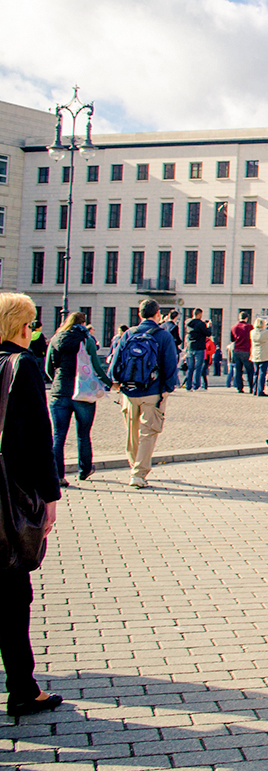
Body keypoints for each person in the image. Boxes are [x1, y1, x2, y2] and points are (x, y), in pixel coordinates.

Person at [0, 293, 65, 718]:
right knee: (12, 591)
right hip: (8, 496)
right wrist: (50, 498)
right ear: (24, 327)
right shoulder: (22, 366)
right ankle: (23, 688)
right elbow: (38, 441)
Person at [110, 299, 181, 489]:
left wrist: (116, 384)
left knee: (131, 433)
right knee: (148, 432)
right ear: (157, 314)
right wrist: (167, 389)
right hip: (152, 391)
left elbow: (115, 361)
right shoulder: (163, 336)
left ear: (140, 314)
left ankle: (135, 466)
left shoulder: (128, 334)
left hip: (128, 391)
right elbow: (170, 365)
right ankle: (139, 473)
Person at [43, 312, 113, 485]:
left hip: (60, 392)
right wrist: (109, 383)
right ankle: (85, 469)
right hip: (82, 392)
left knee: (59, 435)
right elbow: (96, 366)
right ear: (83, 323)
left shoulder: (56, 338)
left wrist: (57, 381)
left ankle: (58, 476)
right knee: (83, 433)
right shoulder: (86, 340)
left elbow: (48, 368)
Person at [183, 312, 210, 391]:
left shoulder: (188, 323)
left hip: (190, 347)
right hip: (199, 347)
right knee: (198, 367)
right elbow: (208, 333)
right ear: (200, 314)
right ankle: (196, 386)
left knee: (190, 367)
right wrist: (208, 326)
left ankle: (188, 386)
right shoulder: (201, 324)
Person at [249, 316, 268, 396]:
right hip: (264, 355)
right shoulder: (265, 332)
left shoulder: (252, 332)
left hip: (255, 354)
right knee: (262, 373)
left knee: (256, 373)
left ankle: (254, 390)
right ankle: (260, 390)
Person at [229, 312, 252, 392]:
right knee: (250, 370)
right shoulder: (249, 327)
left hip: (236, 350)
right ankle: (251, 387)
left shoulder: (234, 327)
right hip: (246, 350)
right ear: (246, 318)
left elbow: (232, 339)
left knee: (238, 370)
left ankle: (239, 387)